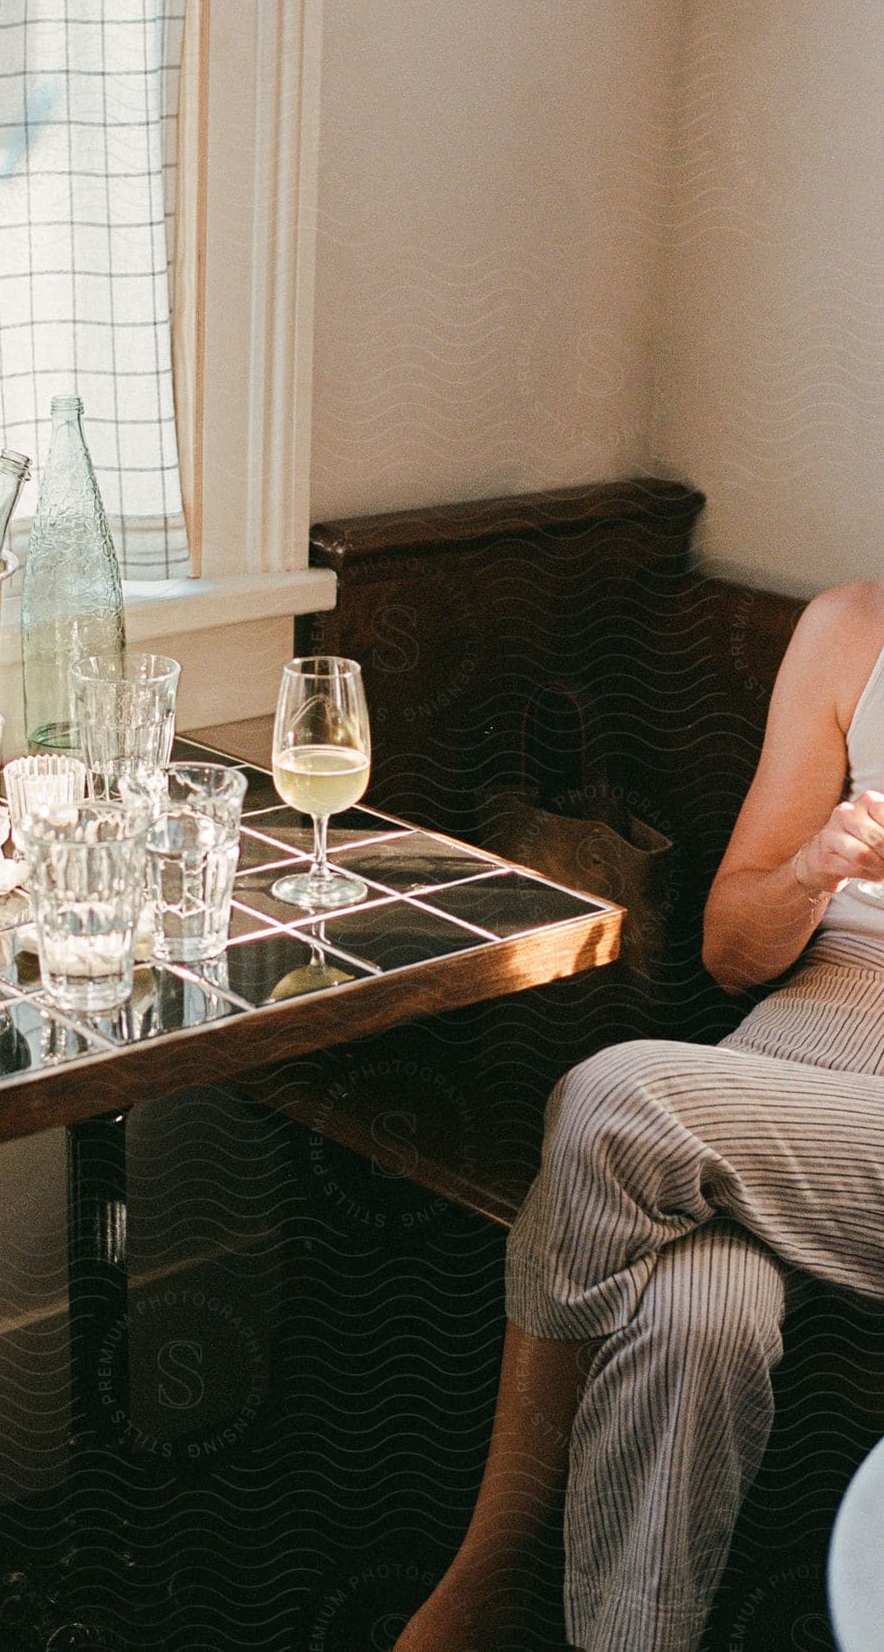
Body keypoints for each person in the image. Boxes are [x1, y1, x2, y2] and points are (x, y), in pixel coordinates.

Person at [394, 579, 884, 1652]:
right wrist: (817, 864)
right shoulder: (853, 630)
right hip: (785, 1067)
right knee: (687, 1317)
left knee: (614, 1098)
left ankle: (493, 1567)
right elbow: (730, 949)